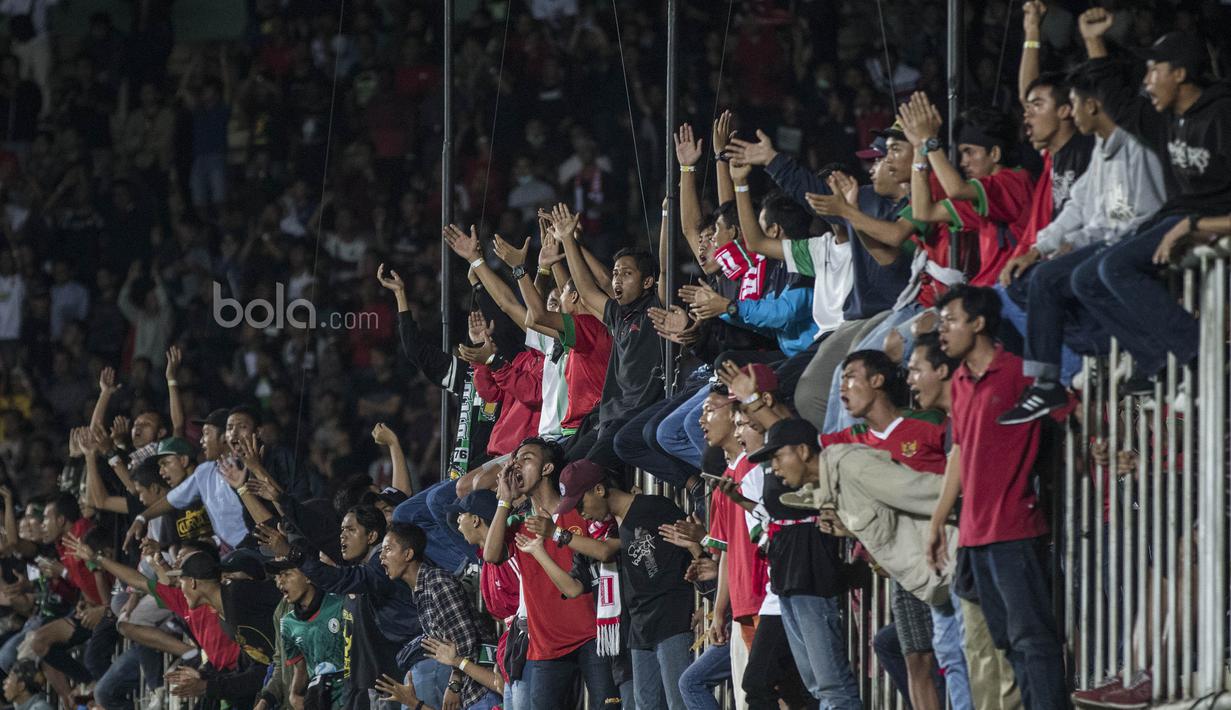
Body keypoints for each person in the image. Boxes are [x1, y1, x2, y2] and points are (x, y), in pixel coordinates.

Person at [1066, 9, 1231, 389]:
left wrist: (1197, 226)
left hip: (1205, 218)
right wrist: (1094, 43)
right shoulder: (1166, 119)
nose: (1147, 80)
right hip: (1178, 216)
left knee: (1114, 268)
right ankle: (1157, 363)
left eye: (1154, 70)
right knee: (1085, 278)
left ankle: (1202, 358)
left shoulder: (1222, 115)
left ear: (1181, 73)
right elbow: (1119, 102)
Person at [997, 61, 1168, 424]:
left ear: (1091, 105)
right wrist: (1038, 249)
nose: (1072, 113)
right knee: (1027, 281)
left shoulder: (1134, 147)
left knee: (1052, 279)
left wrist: (1073, 247)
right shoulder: (1104, 150)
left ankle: (1052, 380)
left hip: (1136, 246)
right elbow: (1081, 208)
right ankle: (1103, 349)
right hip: (1107, 243)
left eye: (1073, 104)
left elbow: (1132, 219)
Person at [926, 285, 1067, 709]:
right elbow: (960, 453)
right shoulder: (961, 382)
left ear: (980, 323)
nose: (943, 332)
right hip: (974, 535)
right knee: (1008, 643)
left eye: (950, 320)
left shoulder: (1020, 372)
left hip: (1013, 528)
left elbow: (1068, 412)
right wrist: (938, 522)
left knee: (1033, 641)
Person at [482, 438, 619, 708]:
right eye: (515, 459)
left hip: (593, 633)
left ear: (547, 469)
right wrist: (504, 502)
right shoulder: (518, 522)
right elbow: (491, 555)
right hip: (546, 645)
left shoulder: (579, 510)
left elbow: (606, 550)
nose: (516, 465)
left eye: (526, 458)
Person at [552, 459, 695, 710]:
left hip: (672, 619)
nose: (581, 513)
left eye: (580, 503)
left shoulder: (654, 508)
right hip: (640, 629)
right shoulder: (616, 527)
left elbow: (693, 552)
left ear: (599, 489)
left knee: (680, 703)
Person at [258, 504, 421, 710]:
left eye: (351, 530)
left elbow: (339, 576)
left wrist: (292, 552)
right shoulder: (357, 576)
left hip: (392, 682)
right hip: (364, 688)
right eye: (342, 530)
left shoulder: (380, 568)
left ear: (371, 536)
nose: (342, 537)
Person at [381, 522, 492, 710]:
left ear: (408, 554)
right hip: (469, 687)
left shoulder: (437, 582)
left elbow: (466, 642)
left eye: (388, 549)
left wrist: (455, 685)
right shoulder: (420, 589)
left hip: (479, 690)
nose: (381, 556)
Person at [269, 562, 347, 710]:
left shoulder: (340, 604)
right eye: (278, 576)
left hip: (350, 695)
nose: (280, 581)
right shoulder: (287, 624)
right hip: (320, 699)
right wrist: (294, 694)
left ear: (308, 576)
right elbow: (301, 666)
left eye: (286, 574)